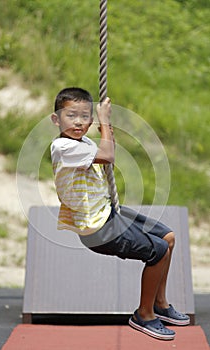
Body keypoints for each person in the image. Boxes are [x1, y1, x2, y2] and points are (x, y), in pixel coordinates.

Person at [50, 87, 190, 341]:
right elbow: (108, 155)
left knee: (168, 238)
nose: (79, 122)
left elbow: (107, 154)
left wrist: (107, 129)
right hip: (97, 229)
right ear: (56, 119)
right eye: (71, 115)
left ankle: (160, 302)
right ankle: (144, 315)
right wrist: (105, 123)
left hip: (108, 213)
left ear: (89, 120)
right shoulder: (62, 146)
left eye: (84, 116)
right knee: (157, 250)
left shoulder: (85, 143)